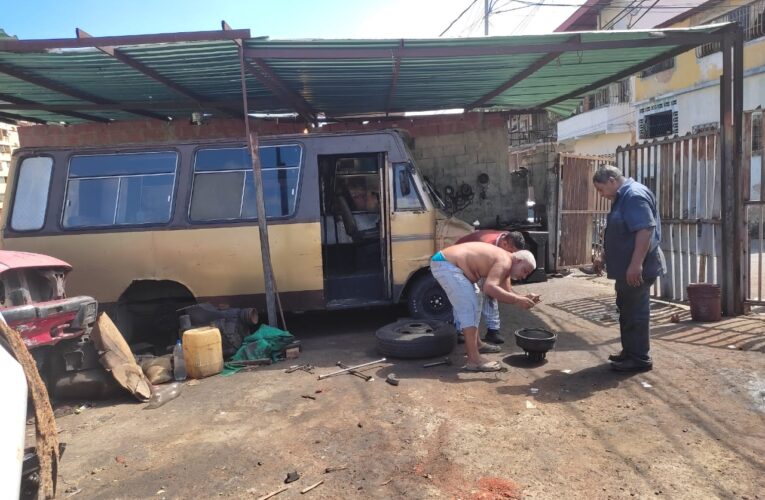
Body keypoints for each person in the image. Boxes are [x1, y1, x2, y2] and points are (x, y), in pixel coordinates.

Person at [593, 165, 666, 372]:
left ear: (611, 181)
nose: (601, 195)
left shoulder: (633, 195)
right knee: (627, 309)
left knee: (635, 312)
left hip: (637, 268)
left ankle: (640, 359)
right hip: (627, 269)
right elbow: (619, 231)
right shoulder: (623, 196)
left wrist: (636, 264)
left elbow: (645, 230)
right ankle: (630, 351)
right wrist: (605, 256)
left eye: (601, 190)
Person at [430, 242, 539, 372]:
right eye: (525, 271)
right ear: (518, 260)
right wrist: (517, 300)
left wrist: (524, 297)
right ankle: (474, 360)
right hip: (446, 263)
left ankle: (477, 344)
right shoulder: (505, 261)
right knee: (468, 306)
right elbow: (490, 288)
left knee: (476, 297)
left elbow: (506, 291)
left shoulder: (506, 262)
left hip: (448, 263)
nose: (524, 276)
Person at [453, 230, 526, 344]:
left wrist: (515, 295)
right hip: (459, 261)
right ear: (505, 244)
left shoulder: (507, 239)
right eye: (511, 252)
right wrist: (515, 298)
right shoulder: (486, 244)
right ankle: (459, 330)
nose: (512, 256)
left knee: (491, 294)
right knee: (465, 296)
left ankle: (493, 330)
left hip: (478, 262)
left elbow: (504, 275)